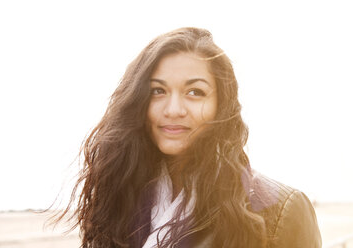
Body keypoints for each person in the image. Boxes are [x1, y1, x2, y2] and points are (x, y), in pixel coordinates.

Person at [58, 27, 322, 247]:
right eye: (158, 91)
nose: (173, 110)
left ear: (222, 104)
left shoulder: (280, 211)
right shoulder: (116, 197)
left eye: (195, 92)